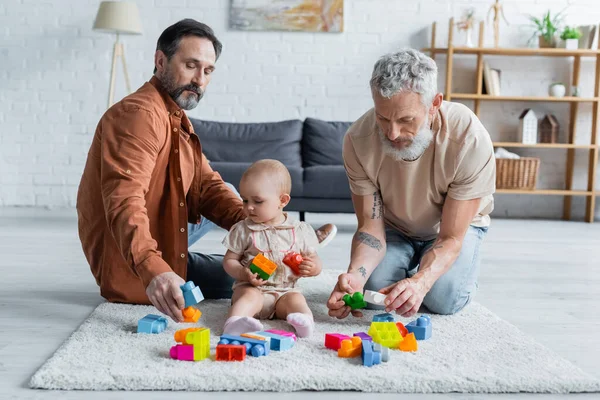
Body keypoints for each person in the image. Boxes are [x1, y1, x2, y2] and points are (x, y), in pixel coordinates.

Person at [76, 19, 336, 323]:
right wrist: (153, 269)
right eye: (190, 65)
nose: (199, 80)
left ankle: (288, 233)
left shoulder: (175, 117)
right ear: (160, 61)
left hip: (163, 233)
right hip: (128, 258)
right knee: (241, 280)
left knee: (256, 267)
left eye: (208, 71)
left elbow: (209, 187)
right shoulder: (138, 115)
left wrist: (271, 231)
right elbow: (124, 201)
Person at [326, 49, 495, 320]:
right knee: (373, 296)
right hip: (395, 228)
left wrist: (421, 282)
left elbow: (451, 237)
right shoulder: (358, 140)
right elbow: (370, 229)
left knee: (444, 297)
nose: (392, 133)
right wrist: (355, 276)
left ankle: (452, 273)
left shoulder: (468, 138)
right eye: (382, 118)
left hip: (450, 229)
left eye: (406, 120)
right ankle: (407, 266)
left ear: (434, 104)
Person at [221, 160, 321, 338]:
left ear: (282, 201)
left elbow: (314, 259)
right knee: (249, 297)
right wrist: (244, 273)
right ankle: (235, 322)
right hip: (253, 288)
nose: (248, 207)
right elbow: (229, 261)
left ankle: (303, 321)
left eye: (257, 201)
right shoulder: (243, 229)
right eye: (244, 200)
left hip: (284, 292)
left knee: (296, 300)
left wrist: (313, 268)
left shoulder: (299, 230)